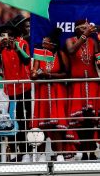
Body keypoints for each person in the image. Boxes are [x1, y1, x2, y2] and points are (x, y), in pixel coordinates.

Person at [0, 22, 31, 162]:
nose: (6, 37)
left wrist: (17, 48)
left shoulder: (22, 43)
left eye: (8, 34)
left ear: (14, 35)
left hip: (25, 87)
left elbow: (26, 61)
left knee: (25, 117)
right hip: (10, 90)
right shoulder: (0, 48)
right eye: (3, 35)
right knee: (15, 118)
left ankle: (27, 151)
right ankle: (16, 151)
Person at [31, 28, 69, 162]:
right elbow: (33, 73)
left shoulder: (60, 54)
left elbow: (66, 73)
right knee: (42, 124)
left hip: (57, 92)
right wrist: (35, 74)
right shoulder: (39, 55)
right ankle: (41, 155)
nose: (42, 44)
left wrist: (50, 75)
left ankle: (59, 154)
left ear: (53, 44)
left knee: (57, 124)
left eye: (45, 42)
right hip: (42, 93)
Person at [66, 19, 99, 160]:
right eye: (83, 28)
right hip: (77, 85)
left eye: (88, 28)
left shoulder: (93, 42)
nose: (86, 29)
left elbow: (98, 60)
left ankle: (91, 151)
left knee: (91, 120)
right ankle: (83, 152)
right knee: (80, 119)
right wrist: (84, 36)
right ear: (77, 29)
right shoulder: (70, 40)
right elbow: (71, 51)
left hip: (92, 84)